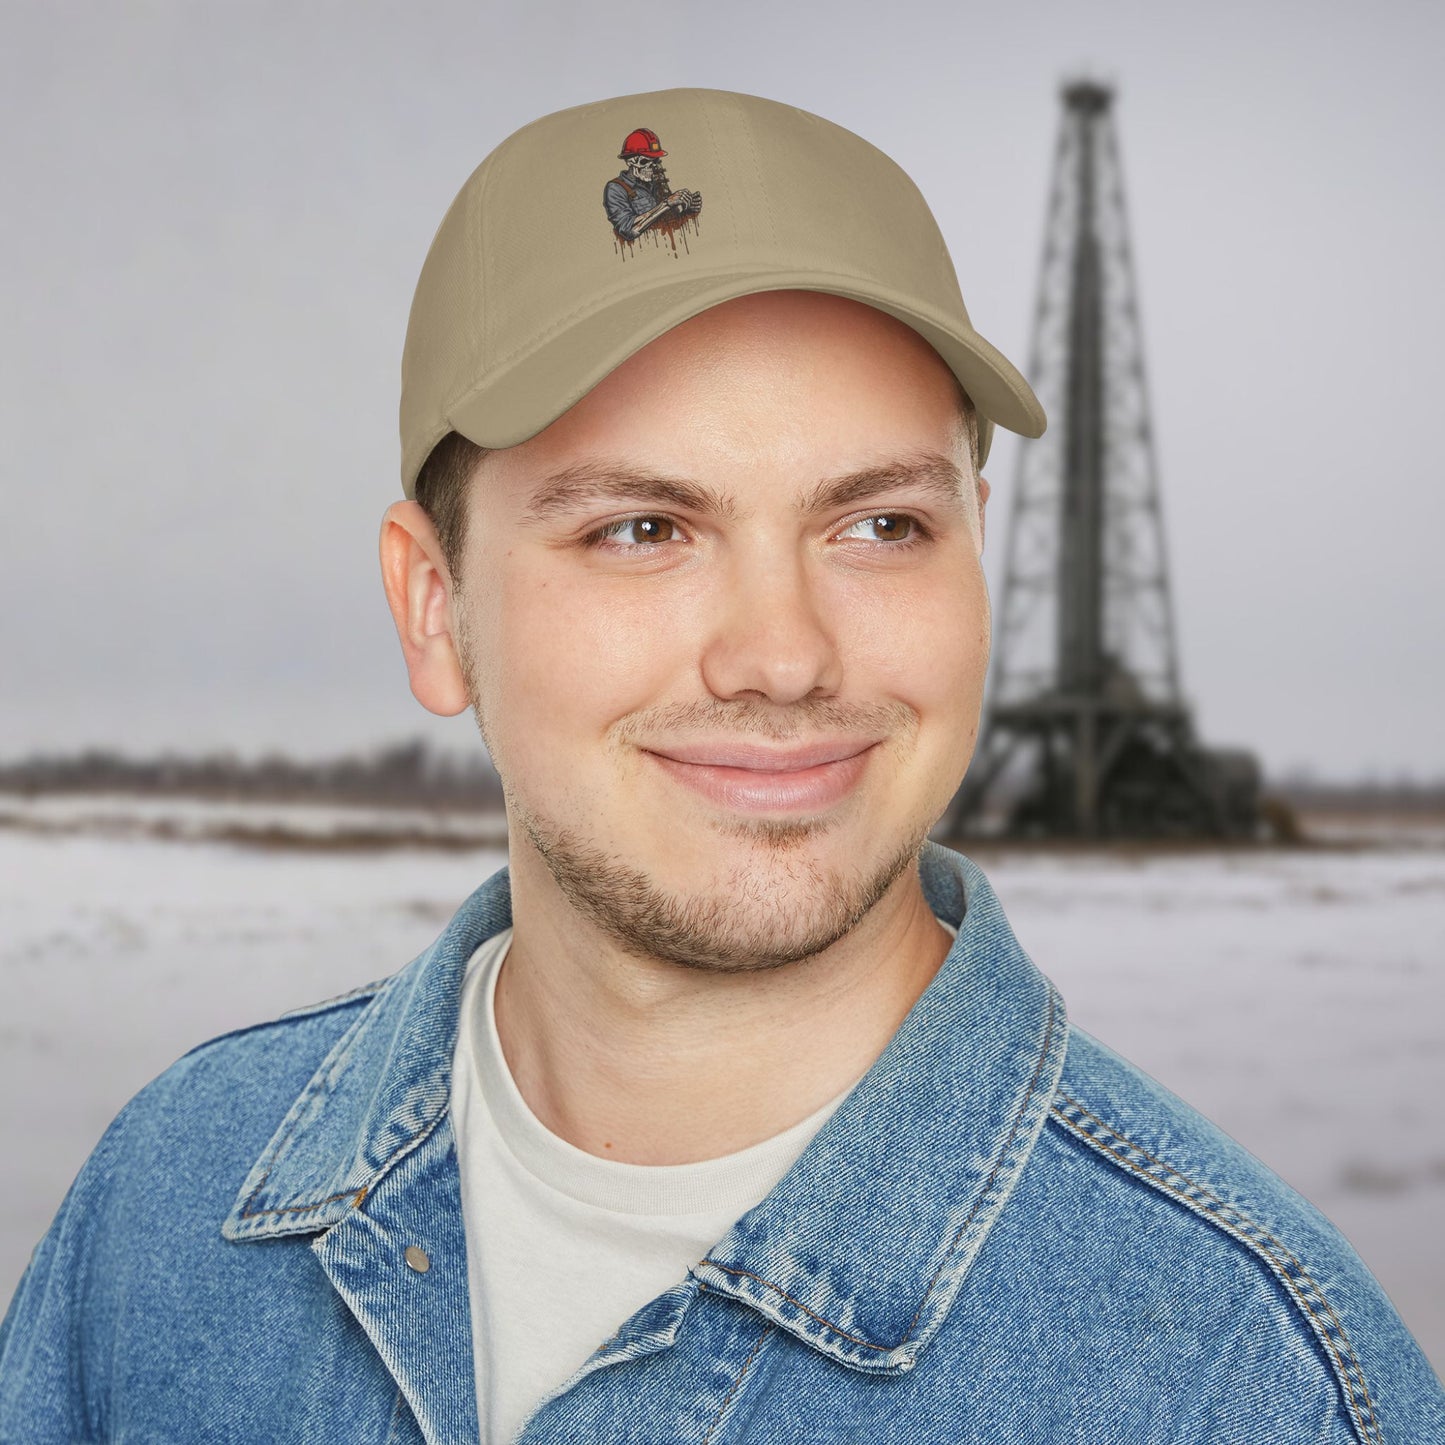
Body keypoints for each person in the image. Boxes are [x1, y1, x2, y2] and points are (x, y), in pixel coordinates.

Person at [0, 85, 1439, 1444]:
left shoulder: (1248, 1381)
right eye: (642, 529)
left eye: (879, 526)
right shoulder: (164, 1210)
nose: (783, 655)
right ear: (434, 608)